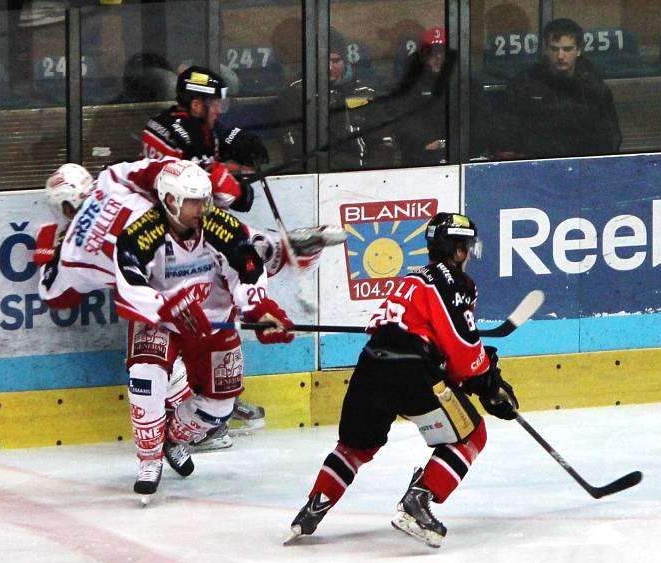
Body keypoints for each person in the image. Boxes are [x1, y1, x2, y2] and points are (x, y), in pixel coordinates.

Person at [286, 212, 519, 548]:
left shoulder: (410, 279)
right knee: (471, 434)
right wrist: (489, 383)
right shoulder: (454, 283)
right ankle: (419, 500)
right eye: (466, 247)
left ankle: (314, 505)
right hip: (411, 370)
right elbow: (463, 351)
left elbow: (441, 350)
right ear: (457, 251)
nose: (468, 254)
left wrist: (481, 380)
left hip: (371, 363)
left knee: (355, 446)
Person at [113, 160, 296, 501]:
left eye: (205, 199)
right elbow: (128, 283)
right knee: (146, 377)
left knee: (220, 403)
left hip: (214, 319)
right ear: (170, 201)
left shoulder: (222, 227)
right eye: (194, 201)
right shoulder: (140, 233)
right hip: (161, 319)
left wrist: (260, 309)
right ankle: (149, 459)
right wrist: (167, 306)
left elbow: (247, 271)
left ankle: (173, 439)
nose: (204, 208)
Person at [490, 18, 621, 159]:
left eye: (567, 49)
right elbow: (505, 129)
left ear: (578, 50)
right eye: (554, 49)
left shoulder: (594, 87)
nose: (560, 56)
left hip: (582, 166)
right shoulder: (524, 84)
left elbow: (611, 136)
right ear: (545, 49)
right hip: (535, 164)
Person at [278, 29, 395, 170]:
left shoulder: (366, 94)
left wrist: (372, 172)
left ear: (345, 61)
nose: (329, 67)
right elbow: (293, 143)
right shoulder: (296, 92)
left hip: (364, 177)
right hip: (316, 177)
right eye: (323, 60)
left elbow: (383, 141)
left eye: (335, 61)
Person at [393, 26, 449, 167]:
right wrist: (428, 141)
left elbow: (480, 116)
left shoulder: (465, 81)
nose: (439, 57)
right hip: (420, 156)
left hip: (460, 152)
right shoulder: (407, 85)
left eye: (443, 51)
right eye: (433, 52)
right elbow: (403, 120)